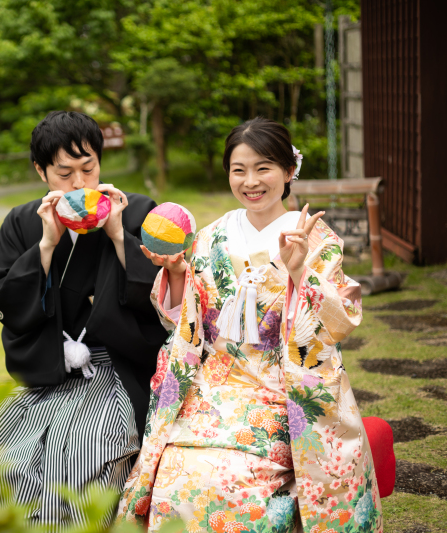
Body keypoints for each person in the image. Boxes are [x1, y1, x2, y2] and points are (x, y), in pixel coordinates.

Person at [118, 117, 382, 532]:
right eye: (238, 170)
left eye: (263, 168)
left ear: (289, 171)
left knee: (235, 478)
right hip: (215, 381)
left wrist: (300, 272)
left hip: (281, 384)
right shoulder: (210, 236)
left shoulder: (315, 239)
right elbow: (187, 322)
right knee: (176, 471)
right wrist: (174, 272)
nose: (250, 181)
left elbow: (338, 322)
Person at [0, 111, 167, 528]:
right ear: (41, 171)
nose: (80, 183)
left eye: (89, 168)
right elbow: (2, 300)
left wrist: (121, 234)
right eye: (64, 173)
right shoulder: (23, 222)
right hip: (49, 366)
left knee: (85, 446)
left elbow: (164, 297)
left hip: (114, 368)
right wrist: (46, 244)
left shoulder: (136, 211)